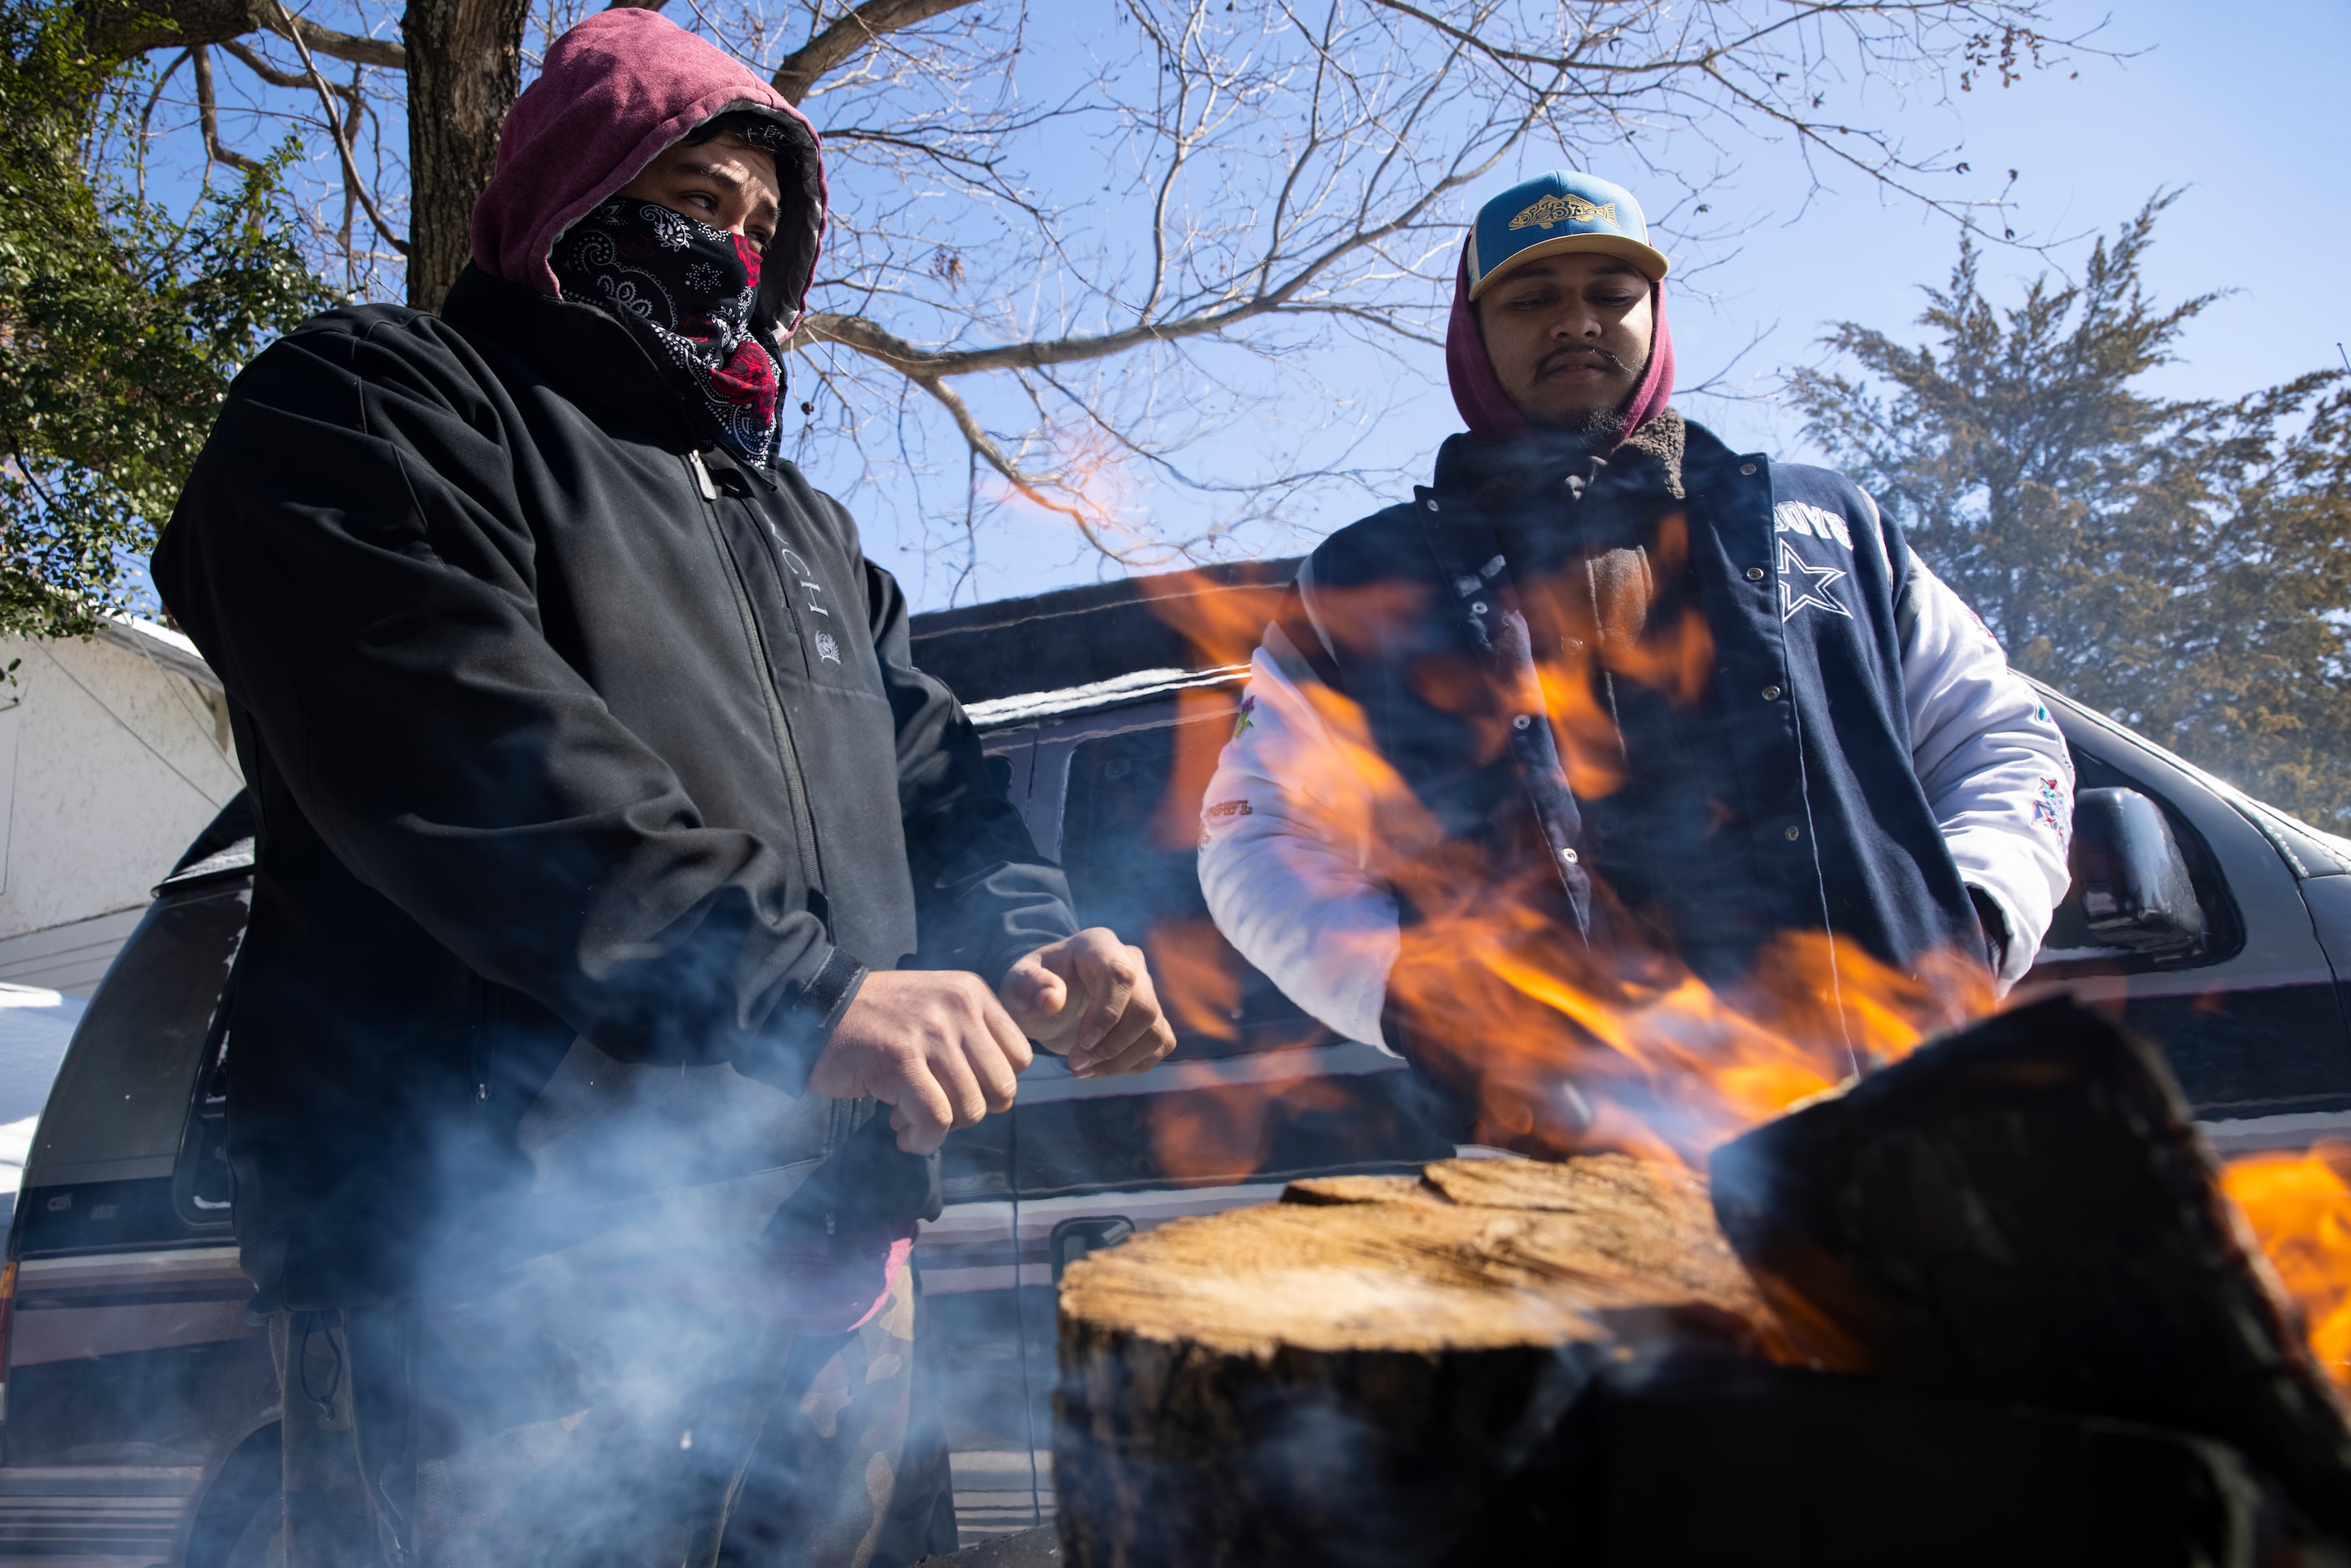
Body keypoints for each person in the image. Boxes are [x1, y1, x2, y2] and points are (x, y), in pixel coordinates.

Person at [150, 12, 1176, 1565]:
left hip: (828, 1257)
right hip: (495, 1271)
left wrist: (1042, 935)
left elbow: (939, 786)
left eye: (762, 229)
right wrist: (799, 990)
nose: (729, 254)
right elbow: (458, 747)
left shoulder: (805, 532)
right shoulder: (372, 405)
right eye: (694, 200)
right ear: (574, 177)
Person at [1197, 170, 2073, 1150]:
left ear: (1654, 314)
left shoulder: (1827, 524)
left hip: (1891, 1118)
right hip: (1558, 1158)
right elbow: (1256, 832)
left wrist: (1977, 921)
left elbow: (2003, 738)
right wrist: (1414, 998)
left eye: (1610, 294)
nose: (1576, 322)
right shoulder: (1359, 578)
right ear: (1472, 332)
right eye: (1532, 299)